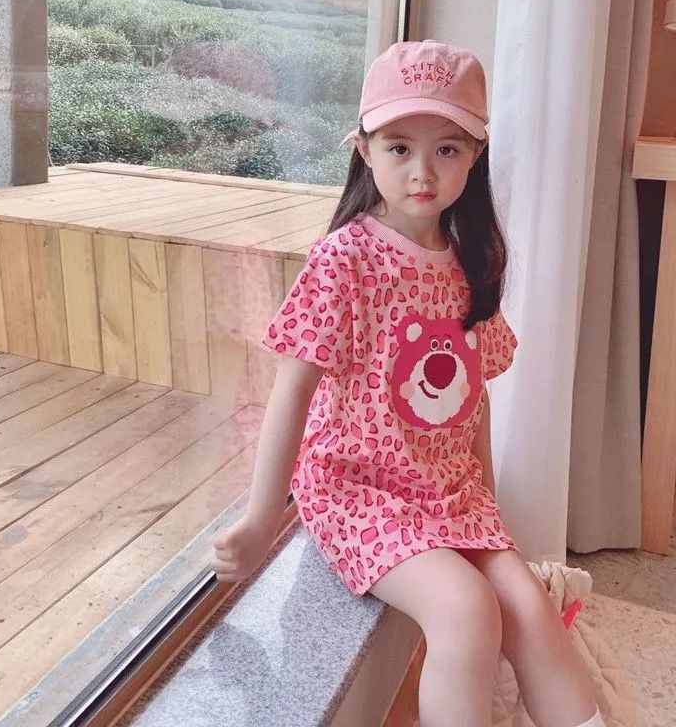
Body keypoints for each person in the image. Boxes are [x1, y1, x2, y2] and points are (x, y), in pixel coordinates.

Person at [210, 40, 604, 727]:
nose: (423, 171)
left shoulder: (472, 261)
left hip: (449, 491)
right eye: (400, 148)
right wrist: (262, 517)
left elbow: (473, 395)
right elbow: (293, 389)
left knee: (529, 609)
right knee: (465, 611)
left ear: (475, 154)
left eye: (446, 149)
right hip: (359, 492)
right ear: (364, 150)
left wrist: (487, 508)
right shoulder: (344, 260)